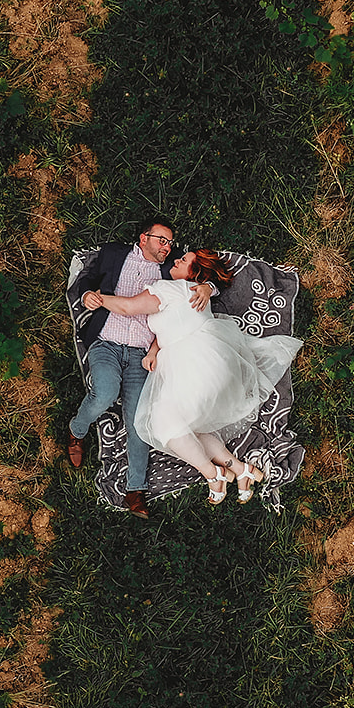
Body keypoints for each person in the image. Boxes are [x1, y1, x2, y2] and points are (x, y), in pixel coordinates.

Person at [85, 248, 303, 505]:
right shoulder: (197, 293)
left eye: (184, 260)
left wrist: (97, 298)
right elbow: (171, 325)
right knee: (189, 428)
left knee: (162, 424)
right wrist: (154, 350)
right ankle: (243, 471)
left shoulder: (169, 288)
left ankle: (213, 474)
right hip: (216, 365)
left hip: (193, 365)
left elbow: (128, 306)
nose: (176, 260)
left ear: (194, 272)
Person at [66, 217, 212, 519]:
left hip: (140, 354)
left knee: (138, 420)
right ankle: (76, 431)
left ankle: (135, 490)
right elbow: (86, 280)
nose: (167, 247)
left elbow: (204, 275)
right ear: (143, 238)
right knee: (105, 394)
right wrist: (87, 295)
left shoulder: (171, 265)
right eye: (162, 240)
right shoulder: (113, 253)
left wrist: (208, 287)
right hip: (106, 341)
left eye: (170, 243)